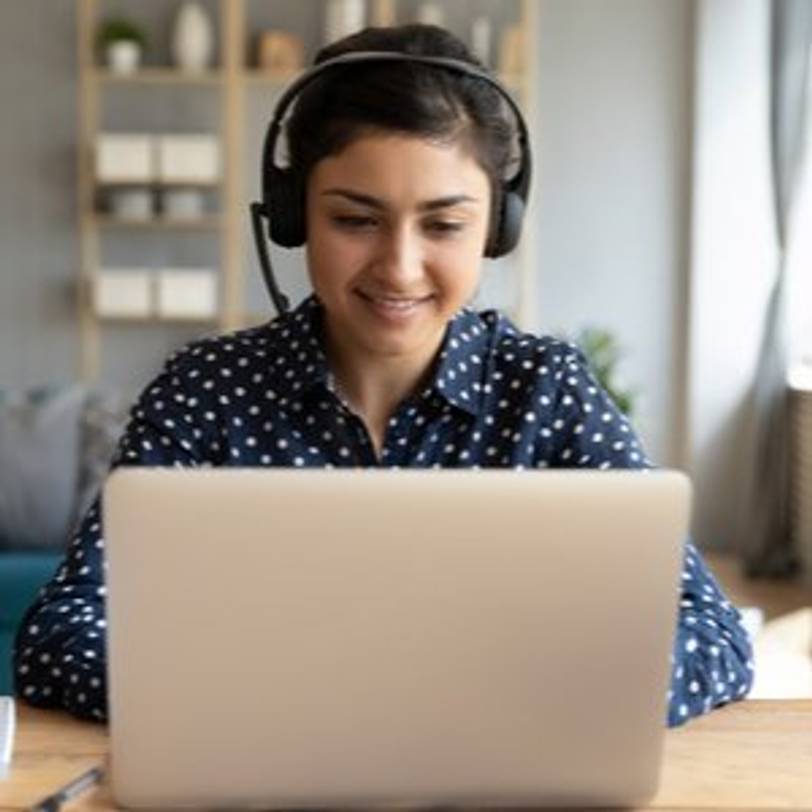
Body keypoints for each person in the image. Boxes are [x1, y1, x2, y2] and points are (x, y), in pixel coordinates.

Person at [14, 23, 753, 727]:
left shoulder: (546, 393)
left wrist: (498, 698)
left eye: (443, 225)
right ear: (292, 213)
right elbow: (61, 634)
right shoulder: (204, 392)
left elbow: (709, 633)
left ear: (498, 227)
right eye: (355, 220)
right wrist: (303, 702)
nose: (399, 267)